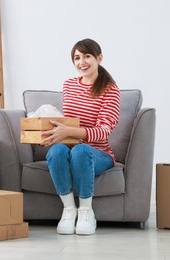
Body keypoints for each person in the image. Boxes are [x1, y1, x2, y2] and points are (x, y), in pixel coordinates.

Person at [41, 38, 120, 235]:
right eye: (77, 58)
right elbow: (68, 121)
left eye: (87, 56)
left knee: (81, 150)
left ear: (99, 58)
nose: (81, 62)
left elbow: (104, 130)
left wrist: (68, 132)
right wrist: (53, 129)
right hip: (71, 147)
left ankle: (86, 211)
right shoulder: (69, 85)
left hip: (98, 153)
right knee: (58, 150)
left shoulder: (110, 90)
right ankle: (69, 209)